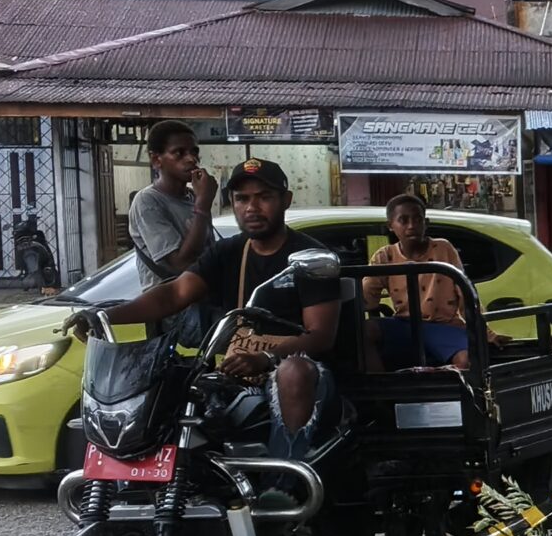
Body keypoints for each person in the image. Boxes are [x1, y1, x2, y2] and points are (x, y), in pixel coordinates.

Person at [71, 158, 347, 459]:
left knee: (293, 371)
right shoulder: (227, 251)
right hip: (238, 373)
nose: (252, 208)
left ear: (286, 200)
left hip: (305, 376)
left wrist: (265, 358)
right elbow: (174, 294)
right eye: (242, 199)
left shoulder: (308, 256)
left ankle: (287, 474)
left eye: (264, 197)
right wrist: (104, 315)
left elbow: (320, 336)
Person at [126, 121, 217, 344]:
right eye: (179, 153)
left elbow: (210, 254)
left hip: (202, 301)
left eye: (194, 152)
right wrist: (203, 206)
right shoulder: (148, 201)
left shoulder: (193, 197)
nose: (191, 159)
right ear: (156, 160)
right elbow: (180, 263)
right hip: (173, 311)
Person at [361, 193, 472, 370]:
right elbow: (367, 297)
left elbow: (465, 293)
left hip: (443, 326)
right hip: (404, 325)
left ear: (425, 223)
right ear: (391, 226)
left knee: (466, 360)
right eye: (403, 220)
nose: (412, 226)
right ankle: (380, 385)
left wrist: (485, 333)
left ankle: (436, 377)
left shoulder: (443, 248)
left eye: (417, 219)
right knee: (363, 332)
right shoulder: (385, 256)